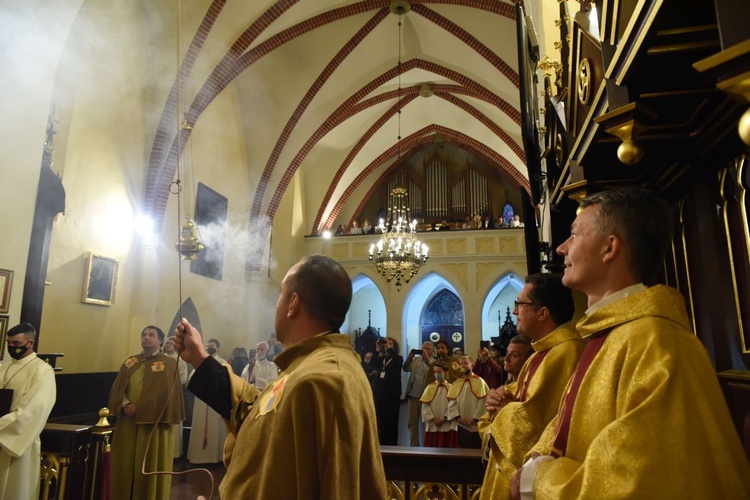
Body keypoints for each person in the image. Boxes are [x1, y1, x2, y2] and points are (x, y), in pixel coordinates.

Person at [511, 188, 750, 499]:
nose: (561, 248)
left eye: (574, 235)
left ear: (609, 248)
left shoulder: (655, 343)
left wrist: (540, 478)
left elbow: (638, 482)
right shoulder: (611, 335)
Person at [173, 254, 387, 498]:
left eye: (280, 295)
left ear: (293, 303)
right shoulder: (308, 366)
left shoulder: (325, 379)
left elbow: (337, 487)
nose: (276, 305)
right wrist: (201, 359)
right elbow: (255, 412)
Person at [480, 273, 583, 500]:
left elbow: (540, 420)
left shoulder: (566, 352)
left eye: (520, 304)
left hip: (532, 476)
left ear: (543, 313)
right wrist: (500, 396)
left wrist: (504, 407)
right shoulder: (541, 353)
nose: (515, 310)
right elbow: (518, 399)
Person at [108, 326, 184, 500]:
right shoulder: (130, 362)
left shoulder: (169, 363)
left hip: (155, 426)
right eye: (144, 334)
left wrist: (140, 408)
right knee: (125, 463)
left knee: (149, 464)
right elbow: (118, 388)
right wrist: (126, 404)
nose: (146, 338)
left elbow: (168, 396)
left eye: (151, 335)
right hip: (128, 422)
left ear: (160, 341)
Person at [0, 323, 55, 499]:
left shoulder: (42, 370)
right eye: (8, 343)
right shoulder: (3, 368)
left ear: (30, 343)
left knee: (14, 489)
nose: (11, 347)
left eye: (16, 344)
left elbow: (34, 409)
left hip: (16, 441)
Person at [187, 338, 226, 464]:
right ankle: (197, 457)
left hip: (215, 400)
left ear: (218, 348)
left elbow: (226, 381)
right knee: (199, 425)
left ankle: (214, 458)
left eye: (212, 346)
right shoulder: (200, 361)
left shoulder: (222, 363)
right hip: (201, 400)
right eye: (208, 346)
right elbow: (191, 379)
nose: (209, 348)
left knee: (215, 428)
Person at [372, 337, 403, 445]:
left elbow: (396, 360)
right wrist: (377, 348)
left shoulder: (398, 358)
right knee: (381, 420)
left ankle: (393, 443)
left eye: (390, 344)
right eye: (386, 343)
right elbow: (373, 364)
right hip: (380, 394)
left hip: (392, 394)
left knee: (392, 420)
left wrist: (388, 348)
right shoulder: (382, 359)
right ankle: (382, 442)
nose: (386, 345)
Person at [403, 341, 435, 446]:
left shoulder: (434, 362)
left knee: (427, 423)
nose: (425, 351)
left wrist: (427, 359)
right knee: (412, 423)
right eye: (423, 348)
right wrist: (409, 358)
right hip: (413, 395)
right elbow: (406, 368)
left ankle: (427, 445)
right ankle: (414, 445)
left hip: (426, 397)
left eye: (428, 349)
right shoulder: (416, 360)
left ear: (432, 351)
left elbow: (435, 371)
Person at [420, 363, 457, 447]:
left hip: (446, 423)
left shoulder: (451, 387)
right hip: (433, 423)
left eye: (439, 372)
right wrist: (433, 419)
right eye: (435, 372)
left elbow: (453, 405)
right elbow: (425, 406)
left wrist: (445, 418)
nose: (437, 374)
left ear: (445, 372)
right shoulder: (429, 387)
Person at [163, 336, 189, 458]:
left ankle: (173, 453)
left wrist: (168, 382)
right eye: (166, 343)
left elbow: (183, 378)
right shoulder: (159, 358)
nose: (168, 345)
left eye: (170, 343)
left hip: (173, 395)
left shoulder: (180, 360)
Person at [447, 356, 489, 426]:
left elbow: (483, 401)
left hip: (476, 421)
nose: (463, 366)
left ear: (472, 365)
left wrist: (476, 418)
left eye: (466, 363)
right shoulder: (456, 383)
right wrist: (457, 417)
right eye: (461, 364)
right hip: (459, 421)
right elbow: (452, 401)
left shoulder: (480, 381)